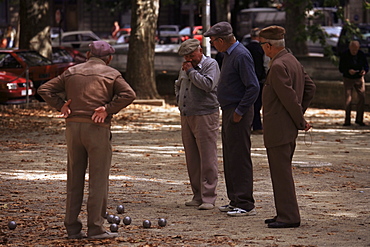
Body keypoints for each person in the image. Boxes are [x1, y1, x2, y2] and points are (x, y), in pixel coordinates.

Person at [38, 41, 136, 239]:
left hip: (73, 129)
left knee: (74, 178)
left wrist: (61, 106)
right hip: (97, 127)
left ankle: (72, 228)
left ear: (88, 54)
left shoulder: (71, 72)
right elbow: (129, 94)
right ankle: (95, 228)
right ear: (109, 58)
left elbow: (44, 89)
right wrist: (107, 109)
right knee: (98, 180)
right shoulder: (111, 73)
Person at [259, 25, 316, 228]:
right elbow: (310, 88)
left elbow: (290, 99)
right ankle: (283, 212)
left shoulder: (277, 66)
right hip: (286, 128)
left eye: (263, 46)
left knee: (281, 174)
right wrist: (299, 115)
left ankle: (289, 216)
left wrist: (299, 120)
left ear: (269, 45)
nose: (263, 51)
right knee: (281, 172)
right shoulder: (291, 60)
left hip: (279, 129)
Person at [203, 22, 260, 217]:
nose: (212, 45)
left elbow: (253, 86)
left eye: (213, 42)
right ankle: (235, 199)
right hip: (229, 110)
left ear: (221, 41)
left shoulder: (241, 55)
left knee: (239, 157)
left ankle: (244, 202)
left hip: (238, 112)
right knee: (230, 156)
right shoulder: (229, 55)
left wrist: (240, 111)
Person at [175, 39, 221, 210]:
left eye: (191, 55)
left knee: (207, 157)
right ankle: (197, 195)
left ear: (199, 51)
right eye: (186, 56)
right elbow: (179, 84)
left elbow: (208, 85)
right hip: (187, 114)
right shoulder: (186, 66)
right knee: (192, 157)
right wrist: (178, 99)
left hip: (205, 115)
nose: (189, 58)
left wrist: (192, 72)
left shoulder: (211, 64)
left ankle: (209, 197)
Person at [339, 40, 368, 126]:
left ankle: (359, 119)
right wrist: (348, 71)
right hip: (348, 78)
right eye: (353, 49)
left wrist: (364, 71)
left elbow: (366, 66)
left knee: (362, 98)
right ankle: (347, 120)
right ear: (350, 48)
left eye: (356, 49)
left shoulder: (361, 54)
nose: (354, 51)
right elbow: (341, 68)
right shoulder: (345, 54)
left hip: (359, 78)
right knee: (348, 99)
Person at [245, 27, 269, 134]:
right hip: (259, 79)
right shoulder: (261, 49)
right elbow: (265, 64)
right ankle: (257, 125)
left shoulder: (246, 48)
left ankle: (250, 124)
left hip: (247, 79)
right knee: (257, 104)